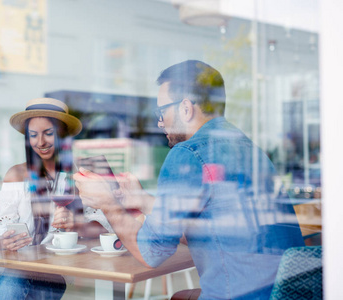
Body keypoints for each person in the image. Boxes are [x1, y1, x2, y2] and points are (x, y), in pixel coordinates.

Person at [74, 60, 305, 300]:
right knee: (179, 296)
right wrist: (143, 200)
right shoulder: (249, 149)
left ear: (185, 108)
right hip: (283, 294)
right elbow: (211, 228)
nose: (159, 122)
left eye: (162, 111)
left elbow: (150, 253)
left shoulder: (187, 154)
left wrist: (108, 203)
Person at [0, 98, 83, 300]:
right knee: (18, 278)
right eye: (33, 135)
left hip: (47, 273)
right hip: (0, 272)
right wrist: (1, 240)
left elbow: (101, 225)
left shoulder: (77, 177)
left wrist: (78, 223)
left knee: (45, 280)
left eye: (48, 133)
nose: (40, 142)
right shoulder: (16, 175)